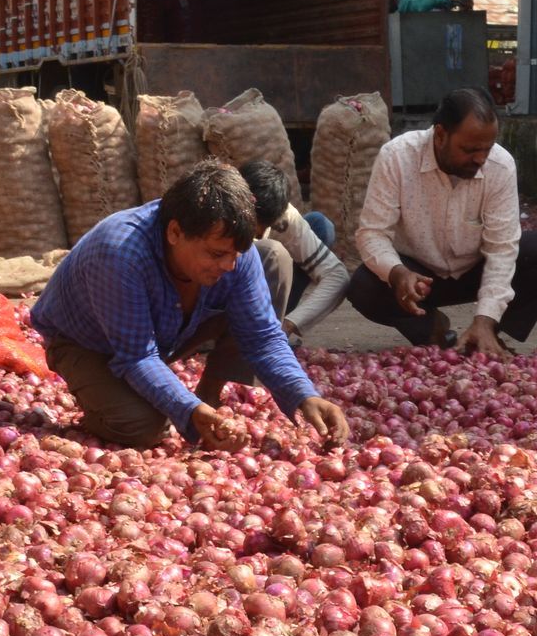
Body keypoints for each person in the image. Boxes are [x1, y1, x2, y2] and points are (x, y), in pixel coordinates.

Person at [30, 160, 351, 451]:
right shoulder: (120, 253)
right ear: (174, 232)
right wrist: (189, 411)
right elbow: (138, 356)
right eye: (216, 254)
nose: (228, 265)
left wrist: (304, 395)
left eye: (235, 254)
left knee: (271, 258)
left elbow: (263, 337)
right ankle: (96, 409)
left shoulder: (233, 251)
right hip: (87, 342)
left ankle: (208, 391)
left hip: (166, 332)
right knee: (144, 426)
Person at [349, 87, 537, 357]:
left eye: (487, 148)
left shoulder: (500, 165)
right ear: (440, 135)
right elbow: (372, 234)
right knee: (362, 286)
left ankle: (488, 333)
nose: (481, 159)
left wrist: (486, 317)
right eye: (470, 149)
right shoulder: (397, 157)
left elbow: (502, 249)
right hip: (418, 277)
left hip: (475, 269)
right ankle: (431, 329)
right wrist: (398, 273)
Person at [238, 161, 350, 345]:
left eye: (258, 231)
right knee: (267, 251)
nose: (254, 236)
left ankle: (271, 327)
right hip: (221, 302)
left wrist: (289, 324)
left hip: (260, 298)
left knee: (319, 226)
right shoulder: (217, 209)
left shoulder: (283, 217)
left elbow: (337, 277)